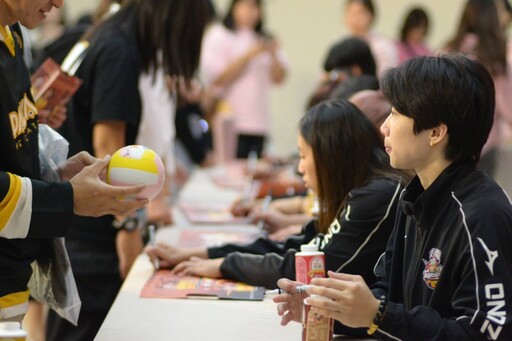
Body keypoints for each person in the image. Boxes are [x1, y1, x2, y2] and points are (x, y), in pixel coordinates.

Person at [274, 55, 512, 340]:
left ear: (435, 132)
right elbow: (388, 292)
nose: (384, 127)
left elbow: (487, 333)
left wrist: (377, 314)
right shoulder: (415, 196)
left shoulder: (480, 215)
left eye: (396, 113)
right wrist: (332, 311)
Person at [147, 99, 405, 336]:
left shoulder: (378, 194)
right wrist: (208, 254)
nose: (300, 167)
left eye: (304, 156)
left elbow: (312, 268)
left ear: (331, 155)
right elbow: (294, 245)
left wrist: (226, 264)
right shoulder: (359, 191)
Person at [45, 1, 209, 340]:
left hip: (76, 222)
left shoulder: (105, 34)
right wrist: (130, 223)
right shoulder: (120, 50)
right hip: (93, 234)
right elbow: (109, 151)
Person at [0, 0, 147, 324]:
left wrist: (53, 174)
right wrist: (66, 199)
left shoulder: (13, 32)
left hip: (12, 272)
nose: (58, 3)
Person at [200, 0, 287, 159]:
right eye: (247, 5)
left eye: (256, 7)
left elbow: (280, 78)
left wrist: (273, 54)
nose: (252, 11)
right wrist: (249, 55)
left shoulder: (264, 38)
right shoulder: (220, 35)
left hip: (259, 122)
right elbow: (216, 78)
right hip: (229, 120)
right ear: (234, 7)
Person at [444, 0, 512, 178]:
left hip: (448, 142)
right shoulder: (494, 55)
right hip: (484, 142)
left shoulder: (448, 49)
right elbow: (508, 106)